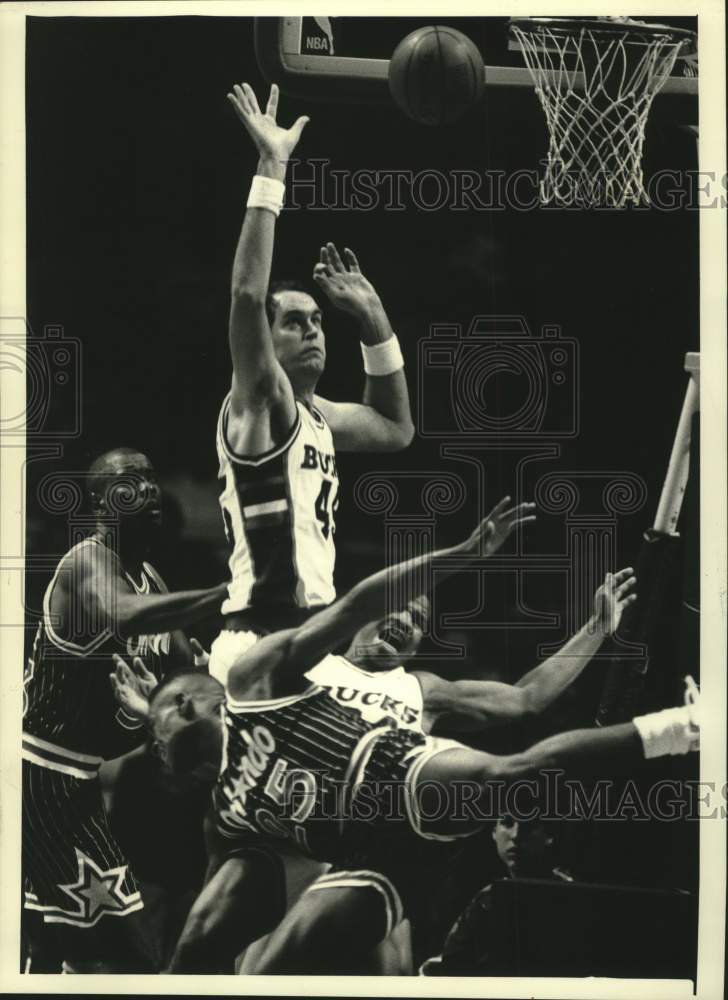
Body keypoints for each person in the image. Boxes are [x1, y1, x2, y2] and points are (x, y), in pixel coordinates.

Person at [137, 499, 698, 974]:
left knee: (394, 961)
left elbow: (527, 698)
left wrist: (598, 628)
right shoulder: (299, 669)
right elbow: (204, 699)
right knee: (253, 964)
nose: (405, 618)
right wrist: (154, 717)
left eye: (419, 618)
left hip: (409, 786)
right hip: (321, 849)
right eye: (399, 608)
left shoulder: (420, 689)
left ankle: (688, 727)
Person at [209, 81, 414, 683]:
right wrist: (272, 167)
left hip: (306, 636)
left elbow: (396, 429)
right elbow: (247, 295)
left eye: (319, 321)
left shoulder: (316, 414)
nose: (313, 332)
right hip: (261, 635)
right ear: (265, 343)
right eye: (294, 322)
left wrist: (374, 320)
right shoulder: (261, 401)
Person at [21, 447, 228, 972]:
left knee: (47, 950)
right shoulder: (87, 562)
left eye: (152, 477)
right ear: (97, 508)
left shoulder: (151, 581)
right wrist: (230, 592)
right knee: (132, 956)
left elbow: (197, 671)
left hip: (76, 782)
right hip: (41, 775)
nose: (148, 489)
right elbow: (122, 614)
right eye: (129, 481)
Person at [424, 815, 573, 975]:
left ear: (549, 835)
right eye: (507, 823)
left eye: (530, 826)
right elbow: (453, 959)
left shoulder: (570, 896)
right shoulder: (488, 898)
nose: (516, 835)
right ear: (494, 832)